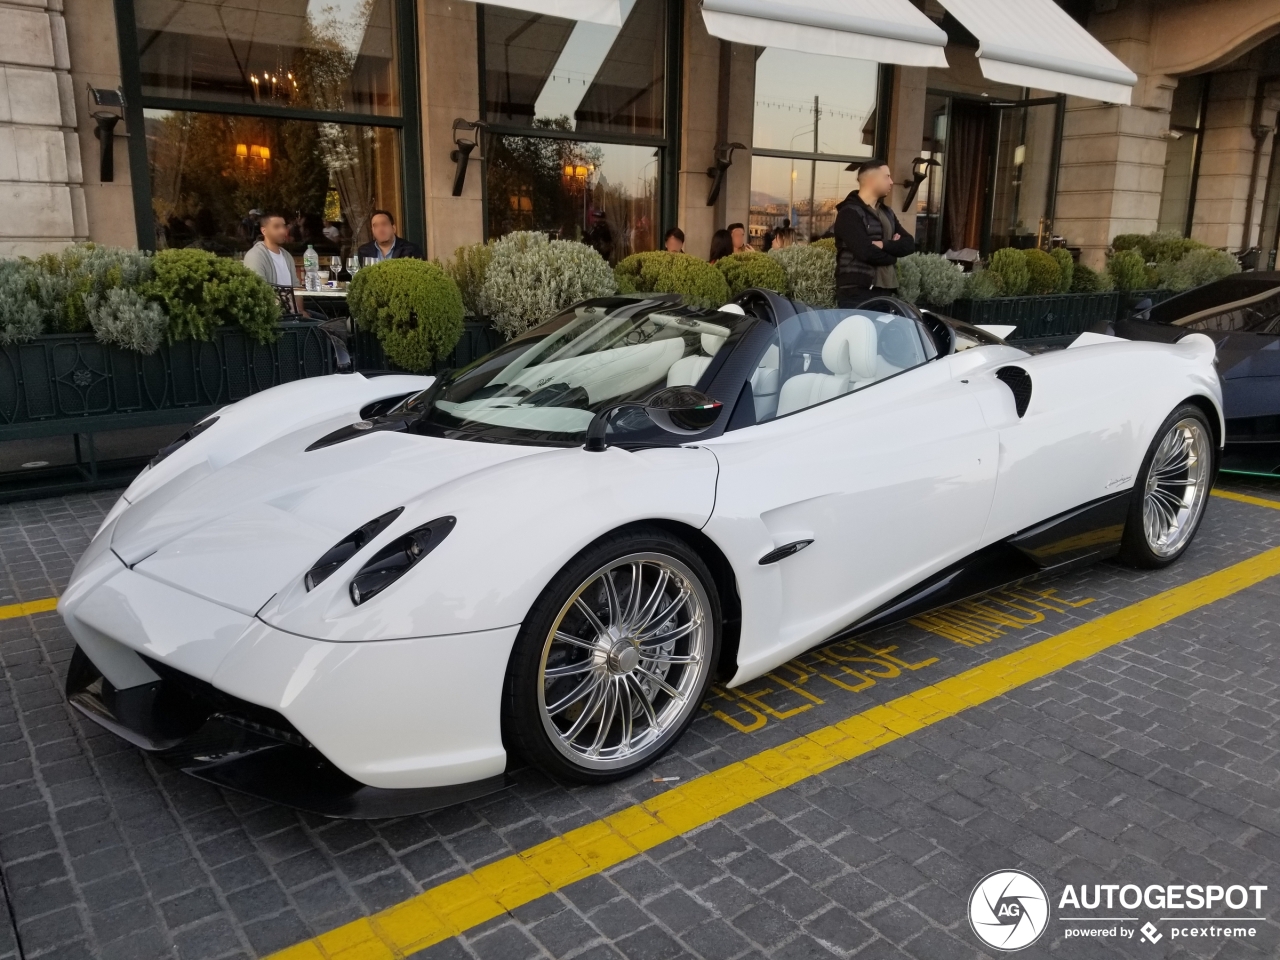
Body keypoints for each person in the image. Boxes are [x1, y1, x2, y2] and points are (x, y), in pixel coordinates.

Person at [833, 158, 915, 308]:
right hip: (857, 293)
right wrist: (893, 255)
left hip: (886, 291)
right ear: (871, 180)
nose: (891, 182)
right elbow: (865, 252)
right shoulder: (849, 213)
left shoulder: (887, 212)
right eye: (887, 176)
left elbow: (909, 243)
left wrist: (883, 244)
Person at [243, 212, 298, 288]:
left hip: (291, 300)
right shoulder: (255, 256)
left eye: (283, 226)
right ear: (264, 231)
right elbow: (259, 291)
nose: (282, 231)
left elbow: (296, 287)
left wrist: (297, 299)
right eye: (276, 227)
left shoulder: (287, 256)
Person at [356, 210, 424, 262]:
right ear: (372, 231)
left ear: (393, 228)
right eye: (376, 226)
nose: (380, 229)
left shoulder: (411, 250)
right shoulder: (363, 251)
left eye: (384, 224)